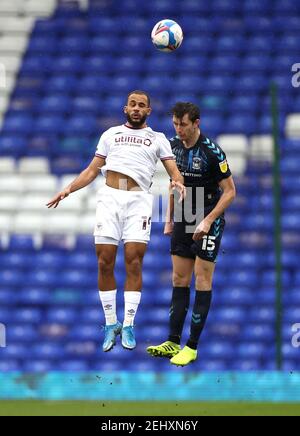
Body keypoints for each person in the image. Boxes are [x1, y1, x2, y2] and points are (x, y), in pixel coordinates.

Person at [47, 90, 185, 352]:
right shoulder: (110, 134)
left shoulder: (157, 139)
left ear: (148, 111)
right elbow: (91, 170)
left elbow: (173, 171)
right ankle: (111, 323)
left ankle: (129, 324)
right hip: (110, 198)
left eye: (141, 105)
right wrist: (67, 190)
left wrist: (178, 182)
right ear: (125, 109)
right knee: (104, 261)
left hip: (138, 201)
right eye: (132, 104)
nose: (136, 108)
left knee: (134, 260)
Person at [147, 102, 236, 366]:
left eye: (183, 124)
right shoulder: (172, 147)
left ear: (196, 123)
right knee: (178, 277)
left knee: (202, 279)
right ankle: (173, 341)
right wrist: (170, 218)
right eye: (175, 124)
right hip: (185, 212)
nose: (178, 129)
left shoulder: (212, 152)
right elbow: (174, 183)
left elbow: (231, 191)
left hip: (208, 210)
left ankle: (192, 346)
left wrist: (208, 220)